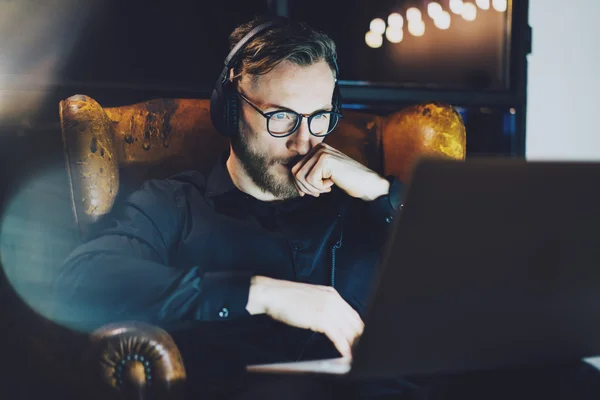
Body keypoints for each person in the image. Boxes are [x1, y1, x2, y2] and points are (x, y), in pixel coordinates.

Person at [54, 15, 600, 400]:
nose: (303, 141)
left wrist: (381, 193)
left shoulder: (365, 199)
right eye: (282, 118)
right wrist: (259, 293)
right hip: (266, 392)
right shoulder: (171, 205)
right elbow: (80, 281)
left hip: (411, 390)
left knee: (572, 378)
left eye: (319, 117)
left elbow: (487, 273)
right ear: (229, 107)